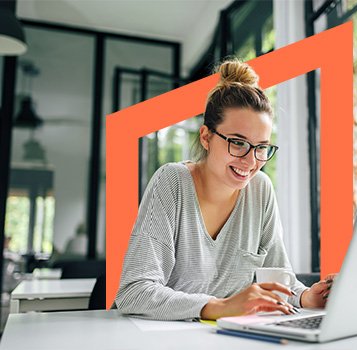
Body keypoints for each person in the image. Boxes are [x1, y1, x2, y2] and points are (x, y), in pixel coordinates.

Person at [115, 59, 334, 321]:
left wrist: (306, 296)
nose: (251, 161)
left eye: (261, 147)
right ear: (206, 137)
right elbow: (133, 291)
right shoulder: (172, 182)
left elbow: (278, 279)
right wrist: (219, 306)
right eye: (238, 143)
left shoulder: (260, 190)